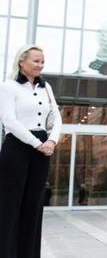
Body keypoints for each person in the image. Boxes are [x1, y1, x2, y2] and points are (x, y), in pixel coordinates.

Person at [0, 44, 62, 258]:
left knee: (34, 206)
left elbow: (56, 116)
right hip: (17, 147)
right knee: (9, 205)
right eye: (36, 60)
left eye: (42, 61)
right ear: (21, 61)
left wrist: (52, 141)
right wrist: (37, 143)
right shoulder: (8, 86)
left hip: (42, 149)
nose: (40, 65)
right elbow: (9, 121)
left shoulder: (47, 88)